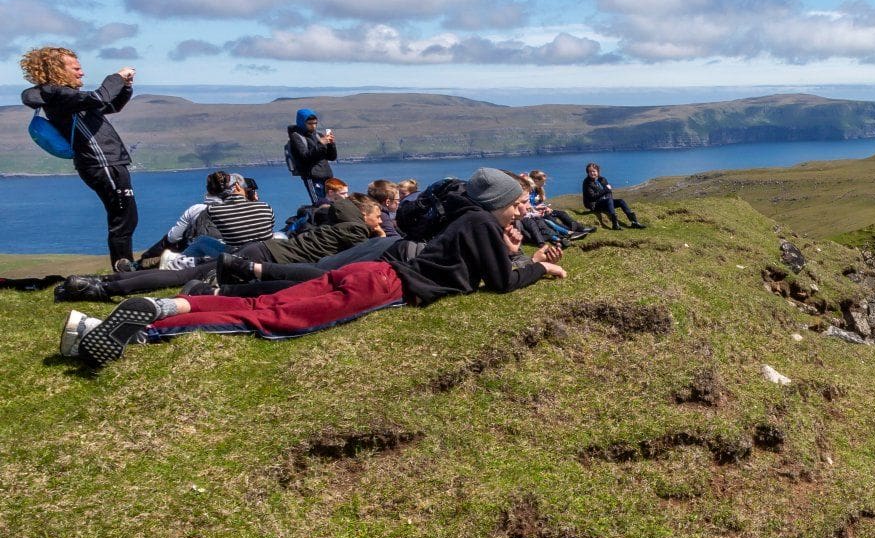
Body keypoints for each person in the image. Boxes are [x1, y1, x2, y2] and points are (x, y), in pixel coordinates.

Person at [67, 168, 564, 367]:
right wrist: (543, 270)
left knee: (265, 301)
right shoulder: (480, 223)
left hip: (375, 272)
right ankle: (149, 326)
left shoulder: (471, 222)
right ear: (498, 202)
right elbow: (501, 284)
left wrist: (524, 254)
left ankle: (123, 319)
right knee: (270, 317)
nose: (523, 209)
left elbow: (492, 266)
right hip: (381, 285)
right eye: (518, 203)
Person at [56, 193, 379, 301]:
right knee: (181, 278)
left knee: (182, 275)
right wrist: (373, 227)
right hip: (264, 258)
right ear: (362, 216)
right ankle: (99, 289)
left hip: (260, 250)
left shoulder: (337, 227)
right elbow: (348, 210)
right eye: (377, 212)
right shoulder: (355, 230)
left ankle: (100, 282)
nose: (382, 216)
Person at [18, 47, 140, 270]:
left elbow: (109, 105)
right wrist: (117, 77)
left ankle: (125, 268)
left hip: (108, 161)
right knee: (123, 217)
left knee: (125, 216)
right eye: (76, 68)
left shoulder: (69, 97)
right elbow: (99, 96)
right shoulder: (58, 95)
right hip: (101, 162)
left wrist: (125, 87)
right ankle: (123, 271)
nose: (82, 73)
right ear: (57, 70)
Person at [285, 109, 341, 205]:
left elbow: (331, 157)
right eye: (310, 123)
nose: (313, 126)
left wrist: (331, 144)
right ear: (302, 122)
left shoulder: (318, 135)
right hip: (313, 177)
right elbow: (305, 157)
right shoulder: (296, 137)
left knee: (333, 203)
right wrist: (321, 144)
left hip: (327, 176)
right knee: (320, 204)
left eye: (315, 123)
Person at [582, 163, 640, 229]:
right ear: (587, 173)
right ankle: (615, 224)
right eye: (590, 171)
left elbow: (609, 192)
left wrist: (610, 202)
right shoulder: (587, 182)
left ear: (598, 171)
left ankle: (634, 222)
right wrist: (606, 190)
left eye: (594, 171)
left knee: (621, 201)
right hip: (594, 204)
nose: (592, 173)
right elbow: (592, 197)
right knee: (609, 200)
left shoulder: (602, 179)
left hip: (606, 202)